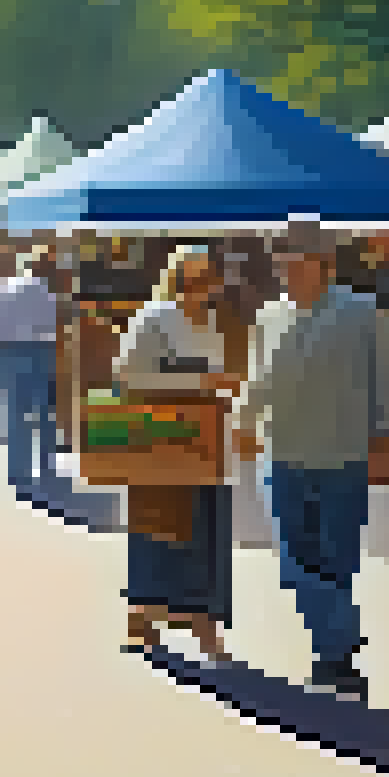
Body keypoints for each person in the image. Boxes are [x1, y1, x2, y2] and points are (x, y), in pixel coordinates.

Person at [236, 217, 389, 700]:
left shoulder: (362, 312)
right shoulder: (269, 315)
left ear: (323, 264)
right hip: (281, 452)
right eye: (281, 261)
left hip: (342, 453)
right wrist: (241, 419)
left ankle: (333, 656)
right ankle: (339, 639)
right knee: (295, 561)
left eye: (295, 260)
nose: (286, 270)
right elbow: (257, 378)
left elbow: (387, 377)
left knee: (336, 557)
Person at [115, 246, 238, 660]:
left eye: (206, 281)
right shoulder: (153, 318)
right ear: (174, 280)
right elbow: (129, 376)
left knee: (205, 534)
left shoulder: (209, 325)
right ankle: (142, 622)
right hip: (160, 441)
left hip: (204, 444)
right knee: (156, 531)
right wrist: (201, 378)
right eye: (191, 281)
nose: (199, 290)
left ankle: (206, 630)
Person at [0, 246, 62, 505]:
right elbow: (55, 328)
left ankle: (19, 474)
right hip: (42, 352)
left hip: (10, 353)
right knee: (45, 414)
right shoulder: (49, 293)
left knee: (16, 415)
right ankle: (47, 468)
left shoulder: (10, 287)